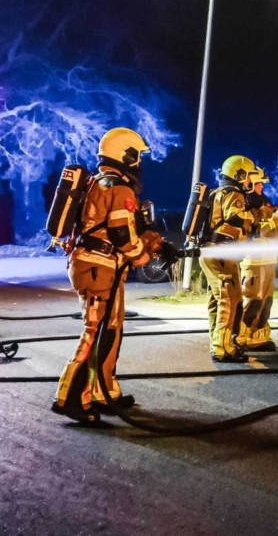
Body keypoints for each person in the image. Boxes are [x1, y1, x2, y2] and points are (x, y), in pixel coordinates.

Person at [52, 127, 179, 424]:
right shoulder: (119, 188)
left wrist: (159, 244)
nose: (139, 164)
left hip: (100, 266)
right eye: (137, 157)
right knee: (97, 334)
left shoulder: (102, 182)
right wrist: (145, 258)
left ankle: (102, 393)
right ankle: (71, 399)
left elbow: (126, 228)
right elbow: (122, 235)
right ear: (127, 155)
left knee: (111, 331)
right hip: (100, 268)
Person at [201, 155, 258, 362]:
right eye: (248, 176)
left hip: (214, 252)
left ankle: (220, 342)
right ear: (239, 174)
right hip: (221, 252)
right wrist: (252, 219)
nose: (250, 181)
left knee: (219, 300)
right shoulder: (234, 194)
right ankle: (222, 348)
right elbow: (234, 215)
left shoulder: (218, 192)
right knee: (228, 299)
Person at [237, 167, 278, 352]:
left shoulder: (263, 205)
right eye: (259, 185)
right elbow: (255, 230)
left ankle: (258, 337)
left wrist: (277, 217)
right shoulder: (243, 206)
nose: (261, 188)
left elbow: (271, 230)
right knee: (252, 300)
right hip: (253, 262)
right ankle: (240, 338)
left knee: (266, 301)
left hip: (268, 260)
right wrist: (274, 219)